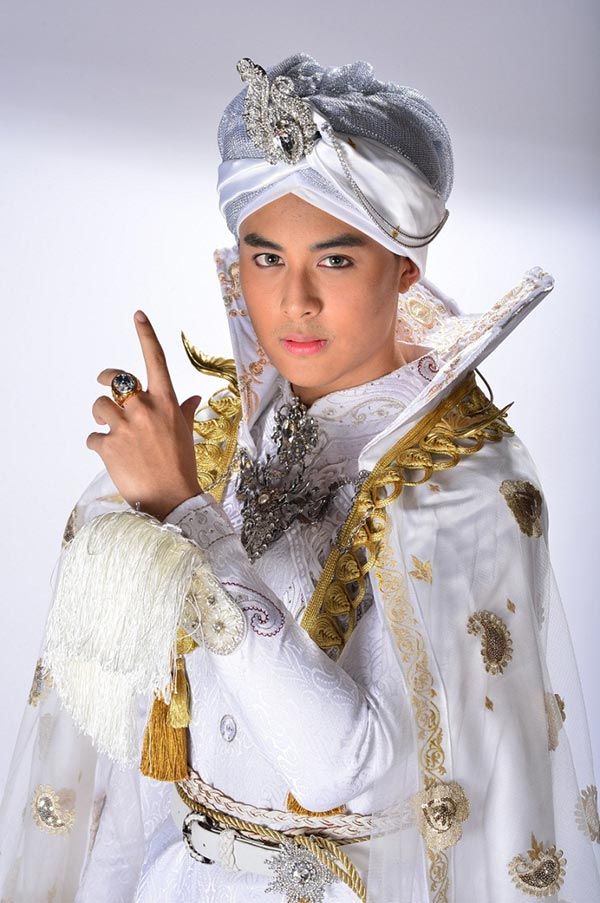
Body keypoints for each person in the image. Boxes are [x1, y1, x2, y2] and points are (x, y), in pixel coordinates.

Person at [0, 51, 598, 903]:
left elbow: (338, 766)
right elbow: (136, 763)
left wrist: (187, 516)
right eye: (267, 256)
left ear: (405, 267)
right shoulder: (215, 439)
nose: (295, 300)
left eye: (337, 260)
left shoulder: (461, 486)